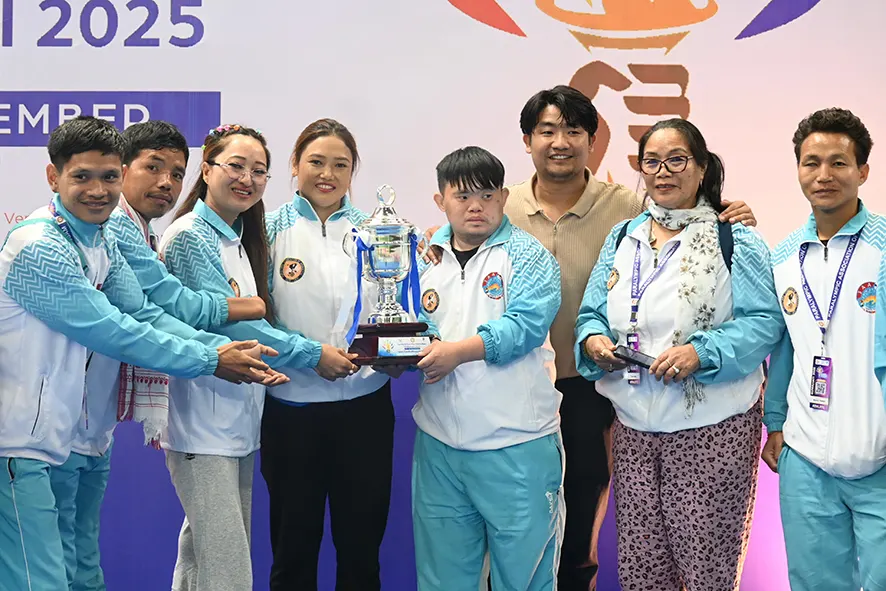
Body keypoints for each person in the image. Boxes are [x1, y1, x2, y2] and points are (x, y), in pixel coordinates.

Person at [423, 85, 758, 591]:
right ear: (527, 140)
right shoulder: (499, 203)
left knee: (582, 519)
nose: (560, 142)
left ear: (593, 142)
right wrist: (431, 243)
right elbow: (453, 242)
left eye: (574, 131)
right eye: (547, 131)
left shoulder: (626, 208)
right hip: (508, 390)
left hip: (590, 386)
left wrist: (729, 211)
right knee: (504, 538)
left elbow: (685, 214)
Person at [0, 115, 274, 591]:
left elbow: (146, 314)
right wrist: (212, 359)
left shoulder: (101, 237)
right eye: (82, 176)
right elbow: (113, 331)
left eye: (108, 177)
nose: (98, 190)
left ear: (120, 175)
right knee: (39, 580)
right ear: (53, 177)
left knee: (84, 575)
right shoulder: (38, 245)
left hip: (73, 439)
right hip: (18, 445)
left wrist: (220, 347)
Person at [574, 118, 783, 590]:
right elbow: (591, 312)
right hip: (633, 432)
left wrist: (700, 352)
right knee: (643, 574)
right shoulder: (622, 237)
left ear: (702, 167)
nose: (663, 171)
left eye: (676, 160)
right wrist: (593, 340)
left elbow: (764, 322)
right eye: (651, 161)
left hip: (713, 432)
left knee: (707, 573)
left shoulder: (735, 237)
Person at [159, 123, 354, 591]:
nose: (247, 179)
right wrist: (313, 353)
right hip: (203, 427)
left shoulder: (240, 238)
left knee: (201, 559)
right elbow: (237, 326)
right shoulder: (190, 236)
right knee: (228, 571)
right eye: (236, 166)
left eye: (258, 170)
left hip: (237, 426)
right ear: (207, 169)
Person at [412, 146, 563, 591]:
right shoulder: (423, 258)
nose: (475, 206)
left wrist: (456, 353)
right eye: (462, 196)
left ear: (503, 197)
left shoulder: (529, 255)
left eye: (486, 195)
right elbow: (410, 322)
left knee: (525, 581)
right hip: (439, 445)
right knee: (443, 581)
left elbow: (524, 327)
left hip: (516, 444)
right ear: (440, 201)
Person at [261, 118, 395, 591]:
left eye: (341, 165)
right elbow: (256, 317)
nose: (327, 174)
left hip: (365, 410)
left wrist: (399, 349)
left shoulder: (377, 231)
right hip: (291, 410)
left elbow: (403, 306)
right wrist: (309, 356)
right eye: (316, 162)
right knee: (293, 549)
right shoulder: (265, 229)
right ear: (294, 165)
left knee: (361, 551)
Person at [763, 107, 886, 591]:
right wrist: (776, 423)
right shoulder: (782, 256)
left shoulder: (883, 248)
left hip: (879, 458)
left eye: (839, 163)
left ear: (863, 171)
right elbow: (784, 349)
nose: (824, 175)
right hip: (807, 460)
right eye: (811, 162)